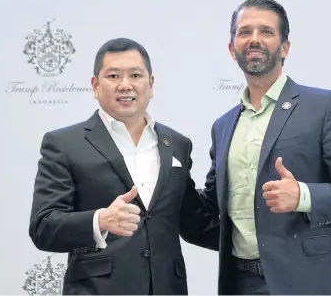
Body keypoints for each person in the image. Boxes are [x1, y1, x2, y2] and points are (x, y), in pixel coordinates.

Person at [190, 0, 331, 295]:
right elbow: (214, 207)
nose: (254, 39)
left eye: (266, 31)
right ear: (232, 49)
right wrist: (166, 182)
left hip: (312, 282)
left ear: (285, 47)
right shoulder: (223, 125)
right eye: (244, 32)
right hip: (242, 284)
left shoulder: (325, 107)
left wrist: (303, 195)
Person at [28, 38, 218, 295]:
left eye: (136, 75)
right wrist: (101, 220)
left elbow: (194, 221)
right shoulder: (64, 144)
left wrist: (264, 238)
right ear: (95, 86)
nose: (125, 85)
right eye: (113, 75)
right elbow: (43, 226)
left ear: (151, 85)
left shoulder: (177, 144)